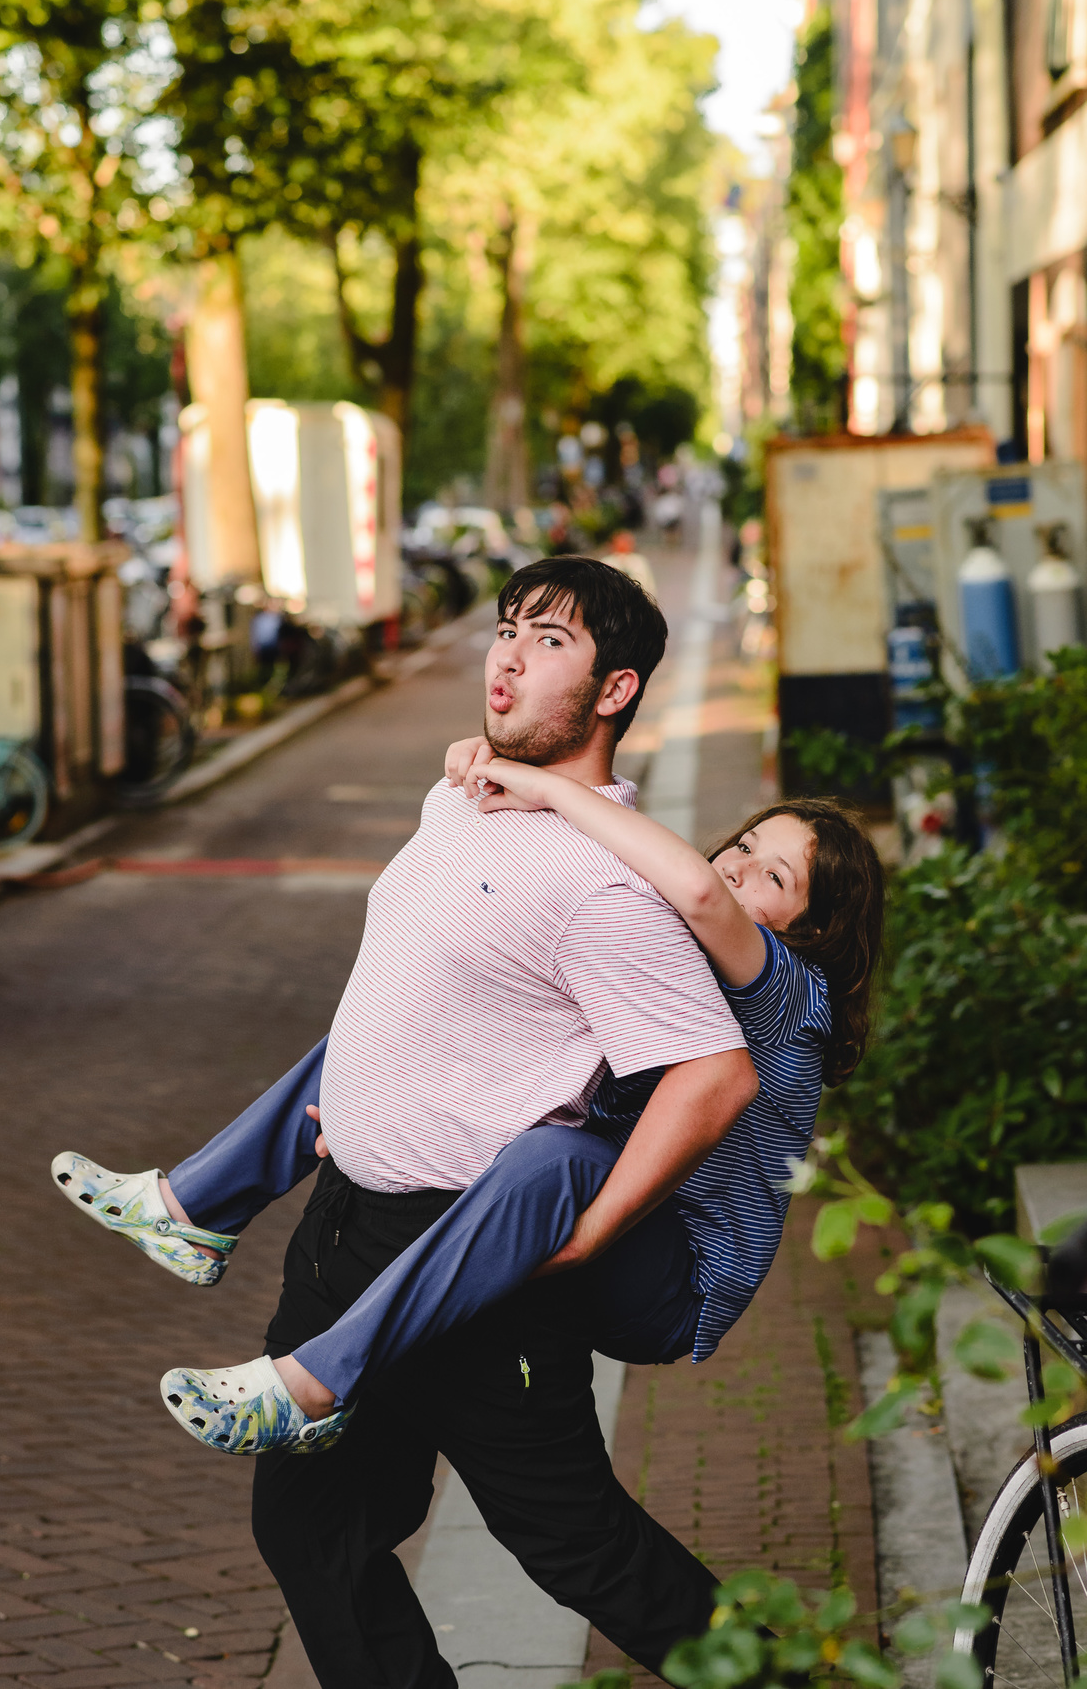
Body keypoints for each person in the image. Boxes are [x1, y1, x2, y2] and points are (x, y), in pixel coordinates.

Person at [47, 556, 824, 1686]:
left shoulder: (612, 893)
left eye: (549, 640)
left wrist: (592, 1231)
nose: (507, 651)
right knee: (312, 1525)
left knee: (578, 1548)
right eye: (509, 626)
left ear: (614, 690)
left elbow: (714, 1076)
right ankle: (196, 1211)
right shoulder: (463, 794)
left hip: (474, 1264)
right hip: (344, 1232)